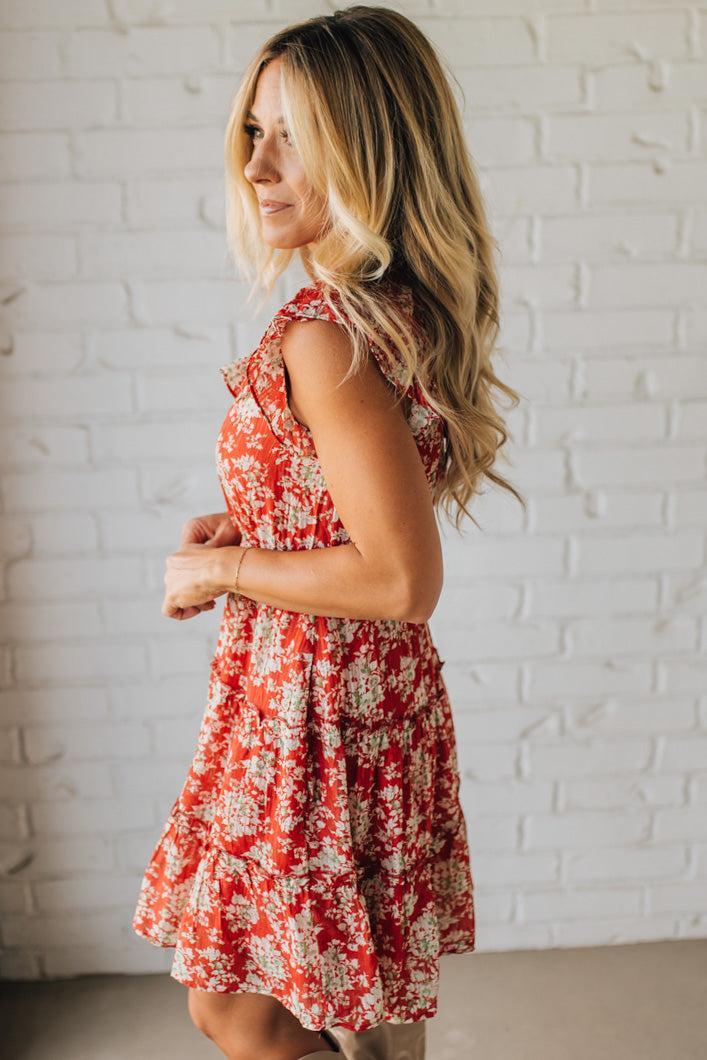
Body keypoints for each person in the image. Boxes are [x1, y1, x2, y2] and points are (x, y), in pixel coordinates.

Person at [131, 6, 524, 1059]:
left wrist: (226, 565)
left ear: (369, 144)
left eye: (289, 134)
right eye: (252, 130)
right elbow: (352, 501)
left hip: (314, 713)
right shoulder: (392, 307)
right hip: (354, 700)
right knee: (351, 1007)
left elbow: (401, 576)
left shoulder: (322, 334)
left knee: (241, 1006)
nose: (254, 163)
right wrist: (256, 526)